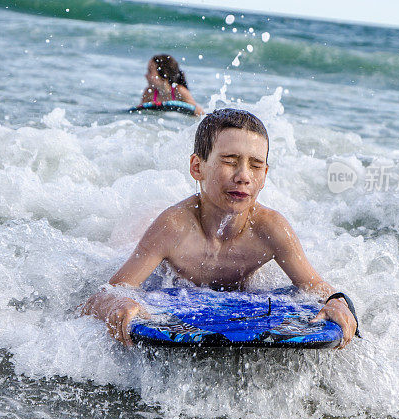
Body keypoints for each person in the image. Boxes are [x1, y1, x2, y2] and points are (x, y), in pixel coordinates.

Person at [82, 108, 359, 348]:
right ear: (197, 166)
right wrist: (116, 305)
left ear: (264, 176)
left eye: (256, 165)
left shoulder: (271, 229)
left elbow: (315, 287)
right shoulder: (173, 227)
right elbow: (100, 297)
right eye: (229, 161)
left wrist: (336, 302)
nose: (243, 176)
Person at [140, 54, 204, 116]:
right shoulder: (149, 93)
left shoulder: (180, 91)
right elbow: (140, 112)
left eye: (150, 71)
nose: (146, 75)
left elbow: (198, 112)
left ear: (164, 74)